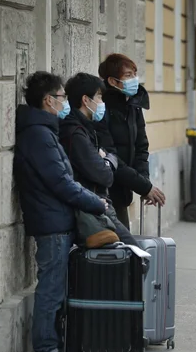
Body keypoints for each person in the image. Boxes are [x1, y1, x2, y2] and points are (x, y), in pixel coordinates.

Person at [14, 71, 108, 352]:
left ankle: (51, 346)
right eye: (60, 97)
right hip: (52, 225)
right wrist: (95, 203)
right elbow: (61, 182)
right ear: (47, 101)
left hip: (56, 220)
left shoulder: (45, 132)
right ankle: (45, 351)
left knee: (55, 288)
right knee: (51, 289)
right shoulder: (39, 136)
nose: (64, 102)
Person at [59, 72, 139, 247]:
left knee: (129, 258)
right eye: (99, 97)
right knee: (135, 255)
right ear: (86, 100)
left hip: (97, 205)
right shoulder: (75, 132)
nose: (102, 103)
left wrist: (105, 158)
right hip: (94, 209)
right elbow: (105, 176)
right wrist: (109, 160)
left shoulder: (87, 128)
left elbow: (105, 158)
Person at [96, 54, 166, 228]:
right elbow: (110, 156)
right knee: (119, 246)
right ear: (112, 81)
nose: (135, 79)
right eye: (128, 75)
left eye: (135, 74)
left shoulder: (134, 105)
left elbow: (141, 147)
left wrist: (144, 182)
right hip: (105, 190)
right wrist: (143, 187)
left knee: (124, 246)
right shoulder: (101, 108)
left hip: (123, 189)